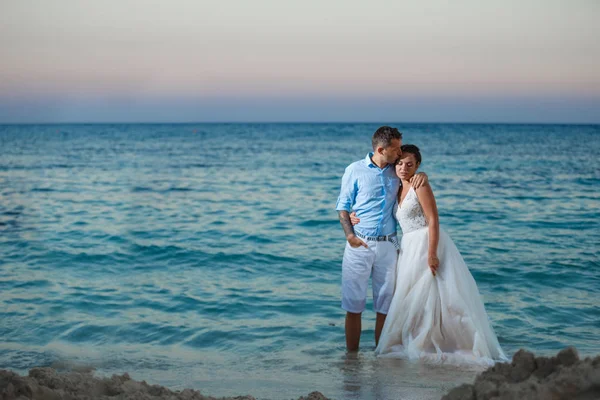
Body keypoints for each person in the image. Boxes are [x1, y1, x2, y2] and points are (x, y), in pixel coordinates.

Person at [363, 145, 507, 365]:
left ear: (418, 166)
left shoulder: (420, 184)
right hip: (408, 246)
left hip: (425, 242)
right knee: (414, 296)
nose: (403, 168)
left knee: (438, 294)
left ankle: (451, 342)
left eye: (410, 164)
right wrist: (354, 215)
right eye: (400, 163)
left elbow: (433, 220)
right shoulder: (396, 186)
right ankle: (420, 337)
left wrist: (432, 253)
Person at [335, 127, 427, 352]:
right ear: (380, 149)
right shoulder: (354, 170)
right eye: (395, 149)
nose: (399, 153)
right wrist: (350, 235)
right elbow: (343, 207)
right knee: (354, 306)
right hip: (360, 245)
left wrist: (422, 175)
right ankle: (352, 360)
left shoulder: (397, 170)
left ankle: (380, 357)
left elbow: (411, 175)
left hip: (389, 245)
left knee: (385, 306)